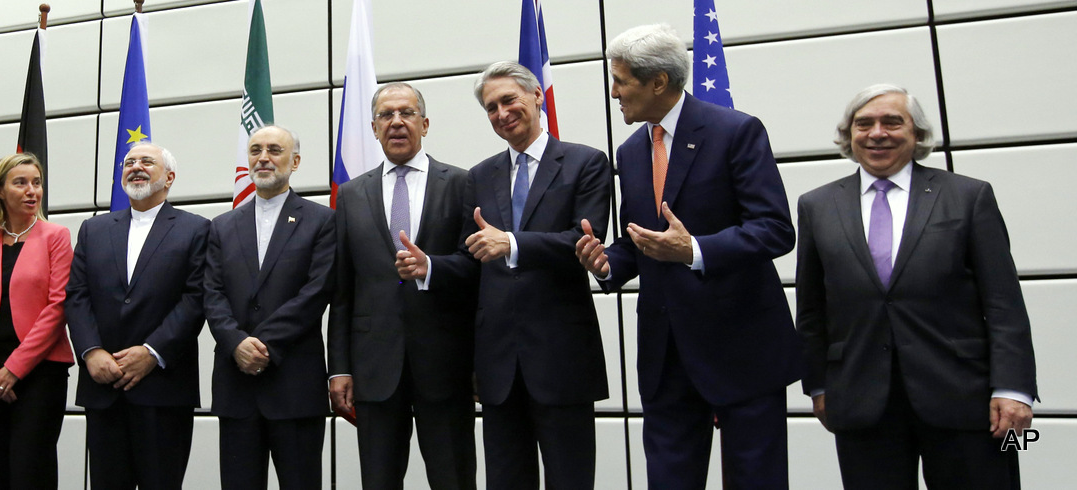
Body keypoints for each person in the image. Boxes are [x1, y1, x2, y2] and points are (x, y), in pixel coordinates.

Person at [573, 24, 801, 489]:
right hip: (666, 356)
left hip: (741, 348)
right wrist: (606, 261)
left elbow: (776, 230)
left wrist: (695, 250)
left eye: (620, 81)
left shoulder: (735, 131)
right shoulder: (632, 151)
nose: (613, 92)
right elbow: (643, 240)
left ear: (658, 81)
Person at [796, 84, 1036, 490]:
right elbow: (812, 307)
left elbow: (1003, 302)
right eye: (863, 124)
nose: (877, 133)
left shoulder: (967, 197)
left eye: (892, 122)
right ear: (849, 135)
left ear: (918, 134)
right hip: (860, 398)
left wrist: (1014, 389)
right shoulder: (817, 205)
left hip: (963, 396)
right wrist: (818, 385)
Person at [396, 61, 611, 490]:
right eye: (491, 107)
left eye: (508, 100)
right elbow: (472, 257)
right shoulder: (480, 176)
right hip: (497, 366)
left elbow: (584, 240)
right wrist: (431, 267)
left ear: (536, 97)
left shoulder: (585, 162)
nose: (501, 113)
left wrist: (512, 243)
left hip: (561, 357)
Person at [329, 82, 478, 490]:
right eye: (386, 115)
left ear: (425, 124)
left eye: (407, 113)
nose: (396, 122)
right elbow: (342, 290)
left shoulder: (464, 184)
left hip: (446, 363)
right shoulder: (351, 194)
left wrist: (431, 268)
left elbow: (476, 271)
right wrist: (338, 368)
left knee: (454, 478)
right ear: (374, 128)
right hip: (374, 366)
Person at [66, 142, 209, 490]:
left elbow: (196, 299)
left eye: (147, 161)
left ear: (169, 177)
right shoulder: (93, 229)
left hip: (163, 387)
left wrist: (151, 352)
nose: (136, 167)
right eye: (129, 162)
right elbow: (76, 295)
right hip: (104, 385)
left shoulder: (196, 229)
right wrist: (91, 352)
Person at [205, 125, 335, 490]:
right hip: (236, 384)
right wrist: (236, 344)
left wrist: (261, 345)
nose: (263, 158)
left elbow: (316, 292)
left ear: (294, 161)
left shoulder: (322, 220)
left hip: (294, 383)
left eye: (274, 150)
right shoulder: (222, 226)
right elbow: (211, 294)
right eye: (255, 150)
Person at [0, 153, 75, 490]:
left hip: (39, 374)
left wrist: (13, 370)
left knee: (30, 471)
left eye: (36, 183)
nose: (31, 191)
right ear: (0, 191)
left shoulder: (56, 236)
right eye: (20, 183)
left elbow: (58, 306)